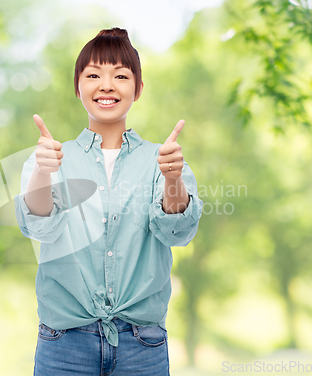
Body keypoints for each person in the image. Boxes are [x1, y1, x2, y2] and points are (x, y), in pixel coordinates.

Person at [15, 27, 203, 376]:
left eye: (120, 75)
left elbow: (177, 232)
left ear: (138, 88)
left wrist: (173, 177)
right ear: (78, 88)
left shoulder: (162, 159)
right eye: (93, 75)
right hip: (64, 345)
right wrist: (43, 172)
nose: (106, 85)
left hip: (142, 346)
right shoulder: (51, 157)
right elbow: (39, 226)